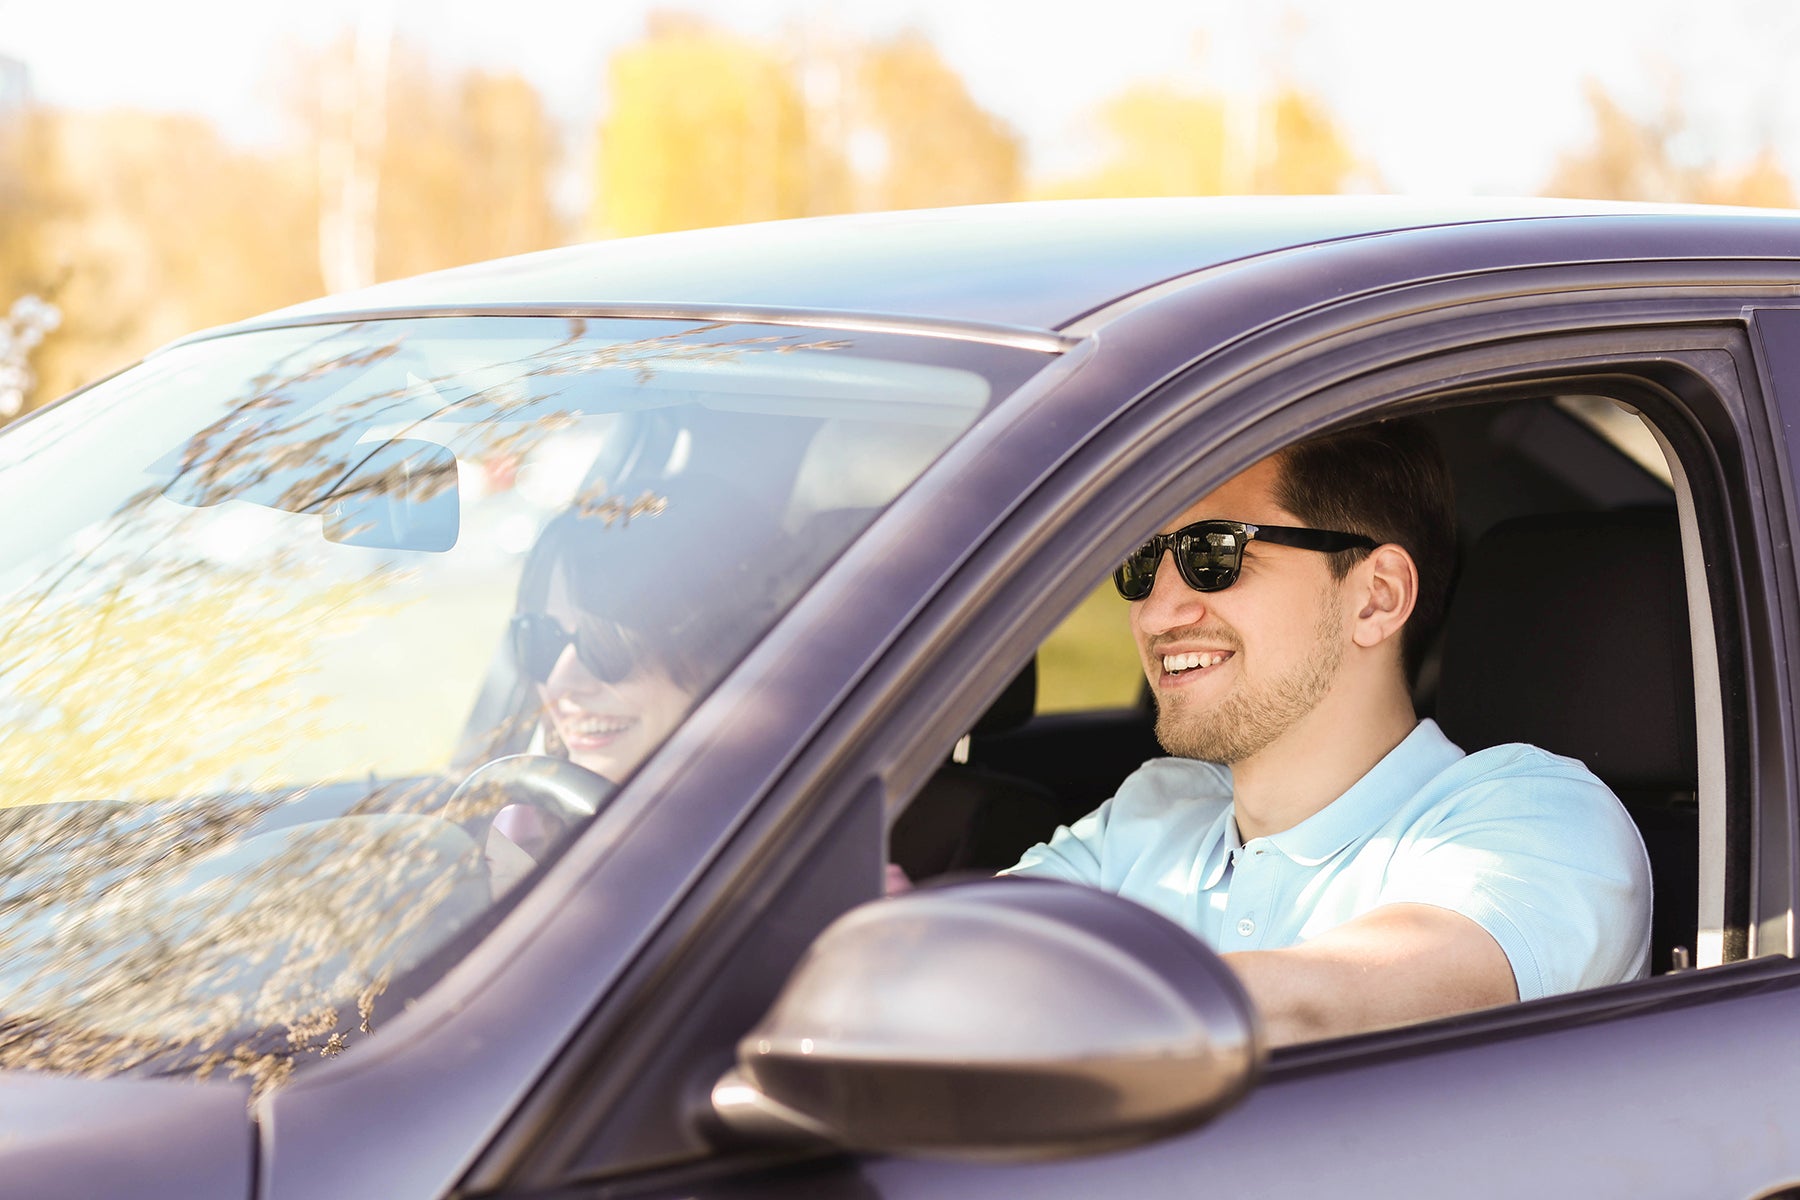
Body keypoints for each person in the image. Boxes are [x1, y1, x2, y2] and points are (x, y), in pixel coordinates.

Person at [1007, 419, 1653, 1045]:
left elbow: (1323, 1007)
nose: (1155, 614)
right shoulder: (1149, 815)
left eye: (1215, 554)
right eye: (1142, 561)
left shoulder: (1540, 822)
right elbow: (969, 955)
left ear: (1376, 596)